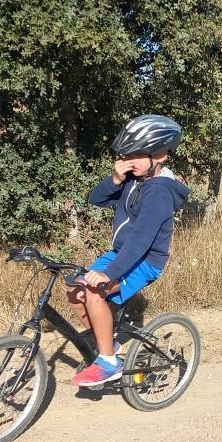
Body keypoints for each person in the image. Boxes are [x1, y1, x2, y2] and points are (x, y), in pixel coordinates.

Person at [68, 114, 190, 387]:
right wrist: (115, 177)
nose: (129, 161)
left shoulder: (159, 192)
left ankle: (108, 362)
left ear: (160, 154)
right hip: (121, 254)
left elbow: (140, 240)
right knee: (75, 293)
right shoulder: (133, 179)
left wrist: (108, 274)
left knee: (94, 290)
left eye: (137, 155)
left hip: (145, 260)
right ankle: (109, 344)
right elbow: (96, 199)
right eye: (127, 155)